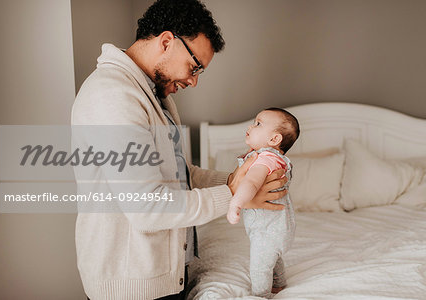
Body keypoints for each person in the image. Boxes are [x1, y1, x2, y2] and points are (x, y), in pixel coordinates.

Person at [71, 0, 288, 299]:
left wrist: (237, 180)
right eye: (194, 66)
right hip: (131, 286)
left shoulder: (154, 94)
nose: (194, 81)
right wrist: (235, 195)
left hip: (160, 276)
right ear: (166, 41)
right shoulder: (114, 96)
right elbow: (147, 208)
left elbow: (179, 174)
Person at [226, 107, 300, 298]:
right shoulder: (273, 158)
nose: (251, 126)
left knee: (259, 266)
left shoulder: (266, 159)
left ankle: (261, 295)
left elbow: (251, 182)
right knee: (272, 257)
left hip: (268, 230)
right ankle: (279, 284)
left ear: (274, 139)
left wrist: (236, 203)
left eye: (258, 123)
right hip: (278, 229)